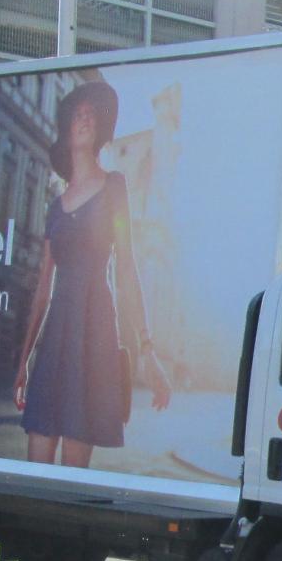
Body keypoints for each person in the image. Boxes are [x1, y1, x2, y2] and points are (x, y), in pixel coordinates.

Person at [14, 77, 170, 467]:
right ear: (67, 131)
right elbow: (42, 291)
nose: (83, 119)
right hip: (55, 339)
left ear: (99, 129)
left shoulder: (115, 187)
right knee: (36, 471)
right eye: (76, 115)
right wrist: (23, 363)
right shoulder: (54, 206)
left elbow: (127, 271)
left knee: (71, 480)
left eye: (89, 115)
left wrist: (147, 349)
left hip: (95, 332)